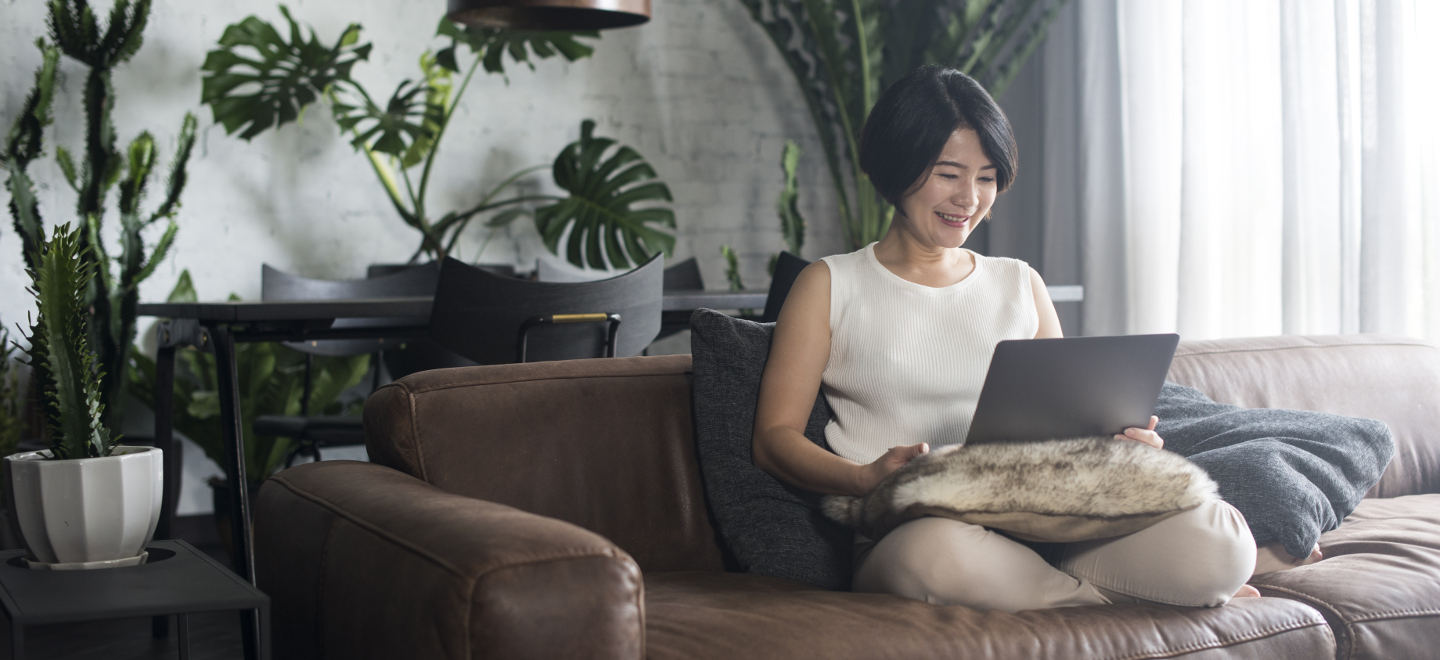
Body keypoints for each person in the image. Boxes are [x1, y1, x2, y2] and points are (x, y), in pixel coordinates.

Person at [751, 65, 1290, 612]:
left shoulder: (1018, 281)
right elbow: (774, 438)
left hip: (1042, 521)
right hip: (917, 529)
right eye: (948, 173)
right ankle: (1131, 600)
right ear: (898, 166)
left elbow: (1060, 426)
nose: (968, 199)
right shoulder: (829, 283)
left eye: (986, 178)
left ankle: (1070, 598)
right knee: (933, 557)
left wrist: (1113, 443)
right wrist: (865, 478)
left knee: (1219, 540)